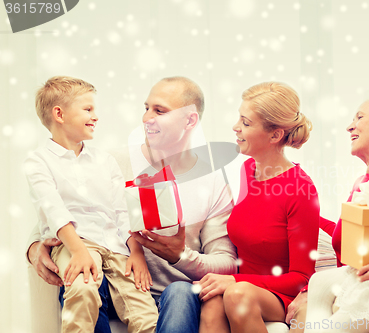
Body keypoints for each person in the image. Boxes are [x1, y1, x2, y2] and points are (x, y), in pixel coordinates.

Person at [27, 76, 237, 333]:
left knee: (180, 292)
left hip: (173, 294)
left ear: (189, 120)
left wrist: (180, 256)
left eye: (159, 111)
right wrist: (34, 248)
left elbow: (226, 261)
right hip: (112, 277)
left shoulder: (214, 185)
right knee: (87, 280)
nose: (147, 118)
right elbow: (58, 212)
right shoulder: (111, 160)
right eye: (146, 108)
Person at [24, 76, 158, 332]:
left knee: (145, 311)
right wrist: (78, 251)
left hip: (117, 247)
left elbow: (121, 211)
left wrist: (137, 252)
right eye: (88, 109)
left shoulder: (104, 160)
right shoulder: (39, 161)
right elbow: (53, 209)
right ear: (59, 114)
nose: (95, 116)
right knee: (83, 289)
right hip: (75, 243)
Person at [195, 81, 320, 333]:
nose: (235, 127)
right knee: (211, 300)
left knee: (237, 296)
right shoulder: (247, 170)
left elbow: (301, 278)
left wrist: (234, 280)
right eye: (239, 119)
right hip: (240, 286)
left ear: (275, 135)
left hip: (278, 294)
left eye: (246, 123)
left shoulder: (300, 188)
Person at [292, 95, 369, 332]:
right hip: (346, 282)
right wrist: (300, 213)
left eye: (360, 117)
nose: (350, 126)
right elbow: (344, 236)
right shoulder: (363, 182)